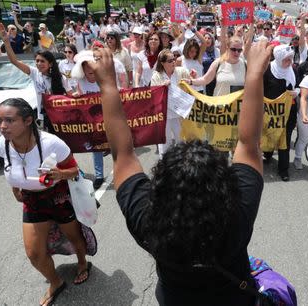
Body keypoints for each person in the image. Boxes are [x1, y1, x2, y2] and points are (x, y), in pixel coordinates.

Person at [86, 40, 272, 305]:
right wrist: (254, 74)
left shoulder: (149, 222)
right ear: (225, 186)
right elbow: (249, 144)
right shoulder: (237, 216)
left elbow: (123, 155)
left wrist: (106, 85)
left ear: (160, 185)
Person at [0, 98, 91, 306]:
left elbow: (75, 170)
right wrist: (15, 188)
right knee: (34, 254)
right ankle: (56, 282)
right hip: (32, 202)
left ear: (28, 120)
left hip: (58, 198)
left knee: (74, 237)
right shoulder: (2, 144)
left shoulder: (51, 143)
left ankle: (82, 262)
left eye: (9, 120)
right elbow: (12, 169)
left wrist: (60, 174)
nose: (2, 126)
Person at [0, 21, 72, 131]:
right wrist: (6, 42)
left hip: (60, 117)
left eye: (42, 61)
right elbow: (14, 61)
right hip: (43, 118)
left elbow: (70, 96)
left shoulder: (61, 78)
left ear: (50, 63)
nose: (39, 64)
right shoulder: (34, 73)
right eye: (37, 61)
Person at [263, 45, 298, 181]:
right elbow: (261, 89)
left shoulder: (293, 70)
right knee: (269, 133)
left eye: (290, 59)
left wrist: (297, 92)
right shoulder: (267, 70)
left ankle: (283, 169)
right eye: (286, 60)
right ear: (278, 58)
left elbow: (300, 86)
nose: (289, 62)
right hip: (270, 113)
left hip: (288, 113)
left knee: (285, 140)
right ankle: (268, 153)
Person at [150, 49, 190, 158]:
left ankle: (182, 165)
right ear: (162, 63)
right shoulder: (156, 76)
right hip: (164, 115)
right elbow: (153, 96)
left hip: (179, 114)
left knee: (181, 142)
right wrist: (163, 86)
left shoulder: (181, 71)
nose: (173, 62)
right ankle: (163, 167)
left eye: (174, 59)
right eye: (170, 60)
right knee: (164, 144)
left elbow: (191, 84)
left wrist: (192, 77)